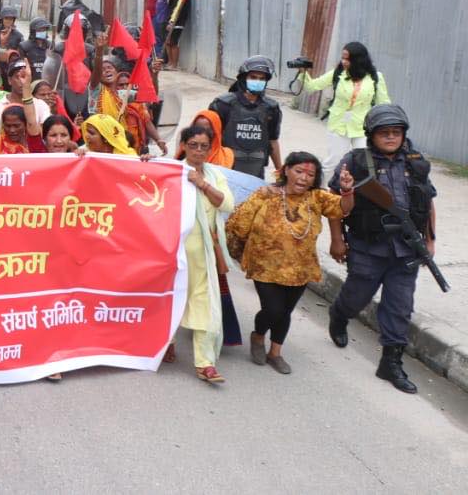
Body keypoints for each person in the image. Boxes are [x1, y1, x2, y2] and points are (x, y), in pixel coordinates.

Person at [326, 105, 438, 394]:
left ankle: (391, 362)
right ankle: (339, 315)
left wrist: (429, 240)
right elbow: (334, 202)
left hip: (406, 250)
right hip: (368, 247)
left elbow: (427, 202)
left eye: (396, 132)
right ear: (371, 135)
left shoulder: (415, 162)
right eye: (384, 132)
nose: (390, 137)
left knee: (400, 306)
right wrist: (336, 239)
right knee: (356, 298)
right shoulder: (355, 161)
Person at [227, 152, 353, 375]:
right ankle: (258, 336)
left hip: (300, 267)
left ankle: (275, 353)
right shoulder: (266, 194)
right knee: (273, 309)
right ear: (286, 170)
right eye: (299, 171)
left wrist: (347, 190)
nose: (304, 178)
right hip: (264, 265)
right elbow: (239, 225)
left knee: (285, 311)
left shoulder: (316, 197)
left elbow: (343, 208)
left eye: (310, 175)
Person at [170, 124, 235, 383]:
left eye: (204, 146)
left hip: (204, 253)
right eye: (193, 145)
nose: (198, 151)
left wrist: (202, 184)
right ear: (183, 146)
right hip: (175, 252)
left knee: (205, 304)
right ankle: (166, 343)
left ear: (210, 149)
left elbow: (227, 204)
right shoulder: (171, 171)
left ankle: (204, 363)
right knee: (171, 299)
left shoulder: (215, 175)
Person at [297, 42, 390, 175]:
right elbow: (312, 87)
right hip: (338, 125)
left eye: (347, 59)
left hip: (363, 127)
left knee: (364, 163)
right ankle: (325, 187)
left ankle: (357, 188)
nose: (343, 61)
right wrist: (303, 73)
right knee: (334, 163)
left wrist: (385, 126)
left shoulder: (376, 77)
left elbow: (384, 103)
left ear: (358, 60)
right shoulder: (338, 73)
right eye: (342, 58)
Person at [209, 55, 283, 178]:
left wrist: (280, 171)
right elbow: (209, 139)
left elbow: (273, 141)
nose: (258, 81)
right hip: (225, 170)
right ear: (243, 78)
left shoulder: (271, 108)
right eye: (253, 77)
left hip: (256, 171)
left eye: (262, 79)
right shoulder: (223, 104)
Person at [0, 60, 50, 140]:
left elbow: (46, 135)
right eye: (18, 77)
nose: (22, 81)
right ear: (9, 80)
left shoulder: (41, 105)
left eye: (25, 76)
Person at [165, 0, 191, 68]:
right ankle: (170, 62)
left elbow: (178, 9)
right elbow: (171, 7)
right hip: (171, 20)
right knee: (167, 42)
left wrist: (172, 22)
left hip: (178, 22)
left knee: (173, 43)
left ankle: (174, 64)